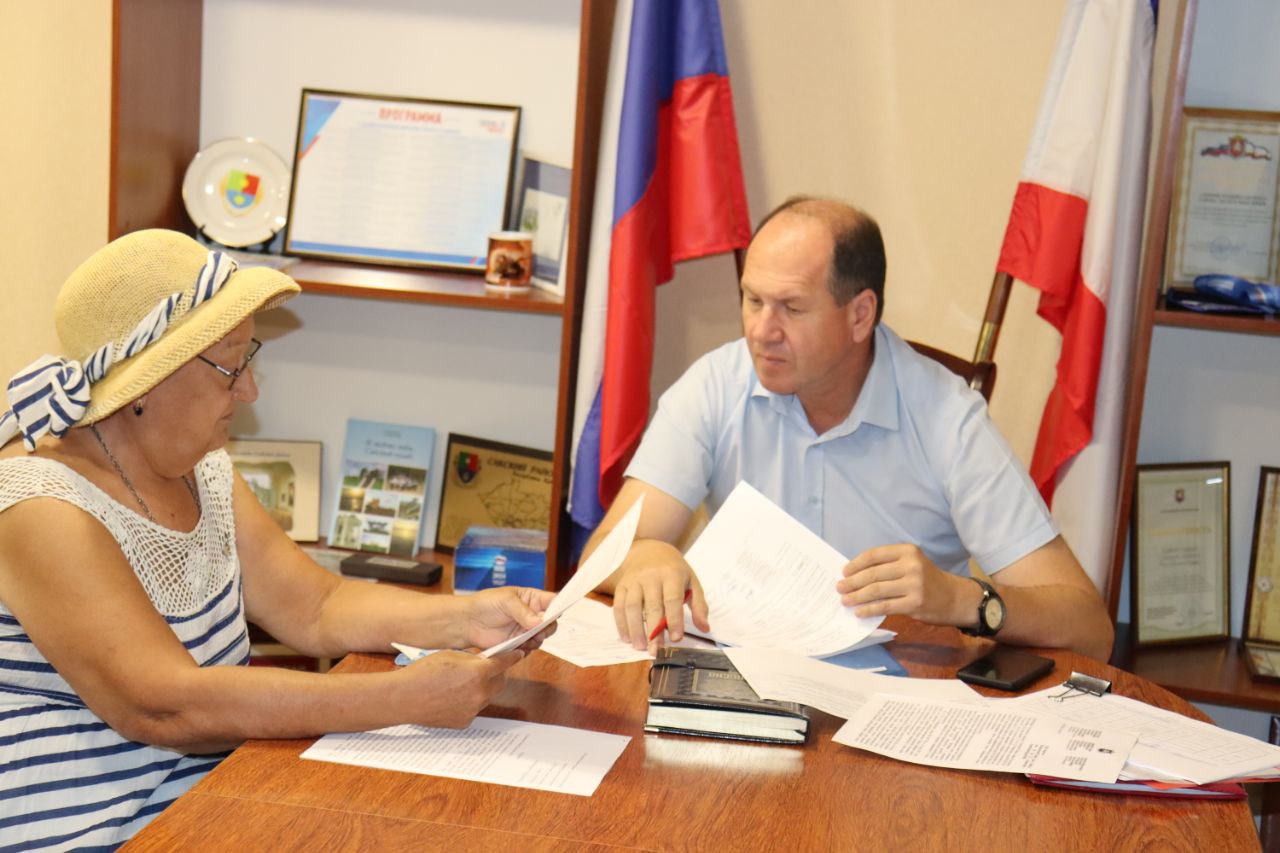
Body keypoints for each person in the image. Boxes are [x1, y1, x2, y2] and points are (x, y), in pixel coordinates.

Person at [0, 230, 554, 850]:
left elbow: (315, 606)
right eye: (230, 365)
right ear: (144, 384)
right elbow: (164, 707)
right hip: (87, 829)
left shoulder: (200, 466)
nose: (249, 390)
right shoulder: (38, 505)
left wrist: (464, 617)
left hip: (206, 802)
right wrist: (405, 697)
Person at [585, 197, 1113, 661]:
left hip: (894, 701)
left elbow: (1089, 629)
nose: (760, 332)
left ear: (861, 315)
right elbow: (598, 559)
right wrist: (646, 554)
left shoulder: (948, 420)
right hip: (746, 678)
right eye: (752, 300)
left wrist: (959, 599)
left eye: (791, 308)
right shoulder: (717, 385)